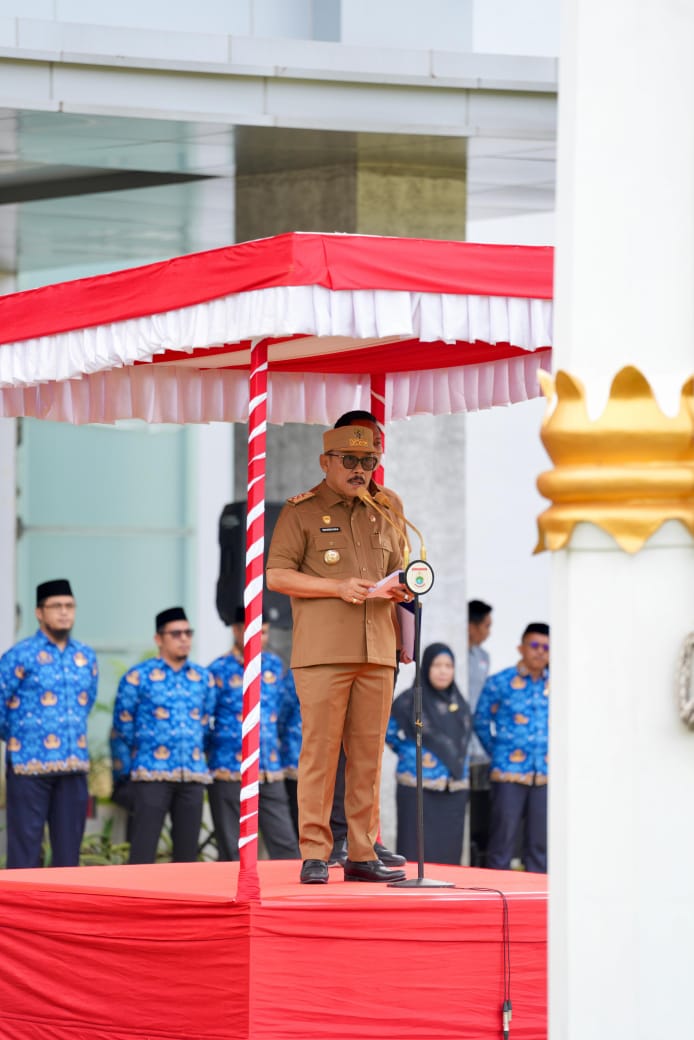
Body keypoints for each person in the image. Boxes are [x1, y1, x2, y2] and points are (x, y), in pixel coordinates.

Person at [266, 423, 410, 884]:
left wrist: (403, 596)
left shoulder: (387, 507)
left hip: (377, 650)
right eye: (349, 460)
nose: (359, 470)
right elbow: (277, 575)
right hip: (324, 653)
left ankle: (363, 853)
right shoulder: (302, 512)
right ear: (325, 462)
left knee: (368, 757)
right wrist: (336, 587)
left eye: (368, 461)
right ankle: (315, 851)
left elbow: (399, 572)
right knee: (320, 754)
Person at [326, 409, 407, 870]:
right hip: (335, 641)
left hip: (381, 640)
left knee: (369, 747)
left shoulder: (389, 503)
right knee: (332, 746)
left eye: (373, 446)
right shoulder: (318, 505)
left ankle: (366, 839)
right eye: (355, 448)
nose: (365, 456)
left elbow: (400, 568)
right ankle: (335, 837)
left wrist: (404, 635)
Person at [0, 578, 98, 869]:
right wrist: (21, 738)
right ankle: (20, 902)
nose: (64, 612)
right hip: (29, 767)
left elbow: (86, 702)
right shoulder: (19, 655)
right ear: (39, 613)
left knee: (69, 856)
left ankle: (64, 902)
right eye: (56, 606)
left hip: (73, 766)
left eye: (69, 606)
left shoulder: (85, 656)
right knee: (25, 852)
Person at [110, 607, 215, 864]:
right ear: (159, 639)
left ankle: (184, 892)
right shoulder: (138, 677)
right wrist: (138, 757)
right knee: (143, 850)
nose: (184, 639)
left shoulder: (203, 678)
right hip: (151, 774)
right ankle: (138, 891)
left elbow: (206, 722)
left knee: (187, 855)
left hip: (192, 774)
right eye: (176, 633)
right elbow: (122, 723)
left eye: (188, 633)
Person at [206, 607, 299, 860]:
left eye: (265, 632)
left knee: (286, 845)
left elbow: (284, 710)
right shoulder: (217, 669)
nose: (261, 638)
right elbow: (204, 717)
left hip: (269, 768)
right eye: (256, 631)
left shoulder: (274, 666)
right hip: (228, 769)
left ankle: (287, 887)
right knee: (232, 848)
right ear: (237, 630)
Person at [474, 622, 550, 873]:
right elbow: (480, 720)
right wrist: (498, 752)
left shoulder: (558, 685)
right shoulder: (501, 682)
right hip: (508, 774)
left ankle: (538, 893)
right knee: (502, 842)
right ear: (521, 647)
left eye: (546, 647)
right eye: (535, 645)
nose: (540, 652)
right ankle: (499, 893)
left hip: (546, 775)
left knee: (540, 844)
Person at [388, 642, 472, 864]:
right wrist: (410, 751)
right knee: (416, 849)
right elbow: (386, 731)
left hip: (453, 789)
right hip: (417, 788)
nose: (443, 671)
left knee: (448, 853)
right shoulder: (409, 700)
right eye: (437, 665)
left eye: (448, 666)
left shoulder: (459, 703)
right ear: (426, 667)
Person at [467, 598, 493, 866]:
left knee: (481, 805)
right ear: (471, 626)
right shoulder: (452, 654)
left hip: (478, 741)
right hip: (456, 739)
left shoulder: (483, 657)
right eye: (486, 626)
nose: (488, 632)